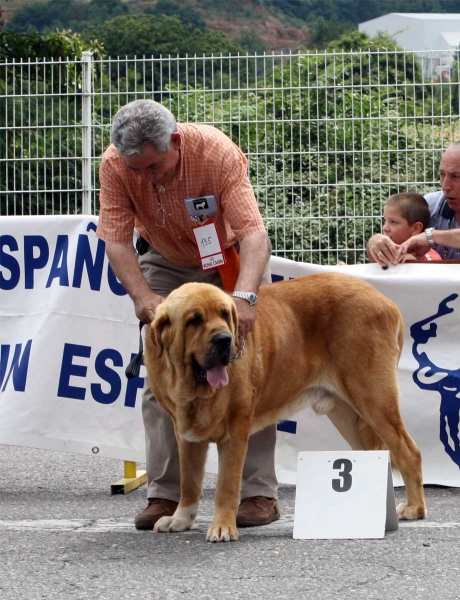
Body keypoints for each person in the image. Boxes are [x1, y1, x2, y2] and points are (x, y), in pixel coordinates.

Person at [96, 99, 279, 531]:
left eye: (153, 167)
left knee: (249, 373)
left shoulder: (215, 154)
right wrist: (143, 298)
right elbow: (117, 242)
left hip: (228, 261)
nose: (143, 177)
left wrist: (246, 299)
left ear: (175, 142)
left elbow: (254, 236)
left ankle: (258, 494)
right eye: (135, 169)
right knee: (159, 372)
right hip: (165, 257)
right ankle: (166, 495)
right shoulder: (115, 164)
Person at [367, 140, 460, 266]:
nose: (445, 185)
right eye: (442, 174)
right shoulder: (430, 204)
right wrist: (376, 242)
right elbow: (394, 237)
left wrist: (430, 237)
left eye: (455, 176)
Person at [373, 192, 441, 262]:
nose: (384, 228)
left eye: (393, 222)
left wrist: (413, 265)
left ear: (416, 228)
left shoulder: (431, 260)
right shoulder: (385, 254)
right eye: (385, 220)